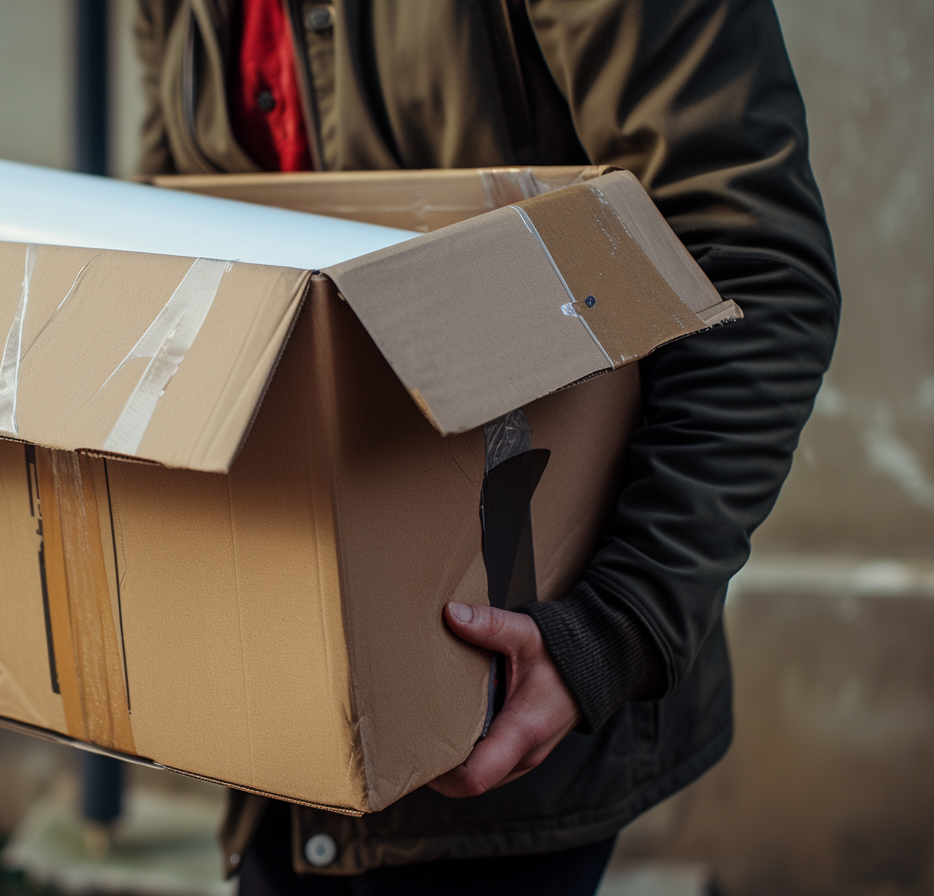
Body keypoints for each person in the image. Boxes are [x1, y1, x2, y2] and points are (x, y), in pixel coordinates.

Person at [133, 1, 840, 893]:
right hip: (271, 720)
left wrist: (614, 626)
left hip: (512, 703)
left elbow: (751, 264)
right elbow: (165, 237)